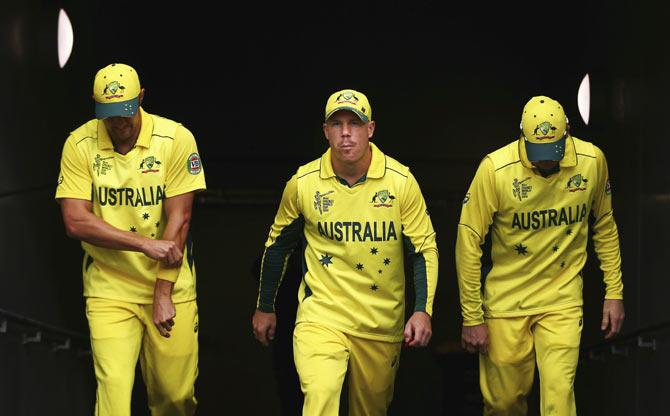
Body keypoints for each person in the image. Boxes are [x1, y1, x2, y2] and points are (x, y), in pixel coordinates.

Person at [252, 89, 439, 415]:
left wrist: (423, 310)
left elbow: (423, 249)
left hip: (380, 324)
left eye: (355, 123)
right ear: (325, 131)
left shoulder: (400, 182)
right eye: (337, 124)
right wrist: (264, 306)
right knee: (320, 395)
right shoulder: (304, 183)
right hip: (323, 317)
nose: (346, 133)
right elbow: (278, 246)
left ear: (371, 129)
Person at [456, 95, 625, 415]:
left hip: (561, 298)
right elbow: (468, 240)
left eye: (553, 151)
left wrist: (614, 292)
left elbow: (604, 224)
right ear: (521, 135)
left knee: (559, 399)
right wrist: (472, 315)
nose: (546, 161)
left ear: (568, 133)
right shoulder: (495, 169)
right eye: (537, 152)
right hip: (507, 301)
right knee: (503, 403)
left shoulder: (592, 161)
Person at [55, 63, 206, 416]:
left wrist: (162, 292)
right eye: (109, 114)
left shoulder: (175, 139)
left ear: (140, 98)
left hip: (169, 285)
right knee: (114, 395)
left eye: (125, 111)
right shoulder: (79, 144)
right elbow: (75, 221)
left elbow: (179, 220)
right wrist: (142, 244)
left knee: (174, 397)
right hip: (110, 285)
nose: (118, 122)